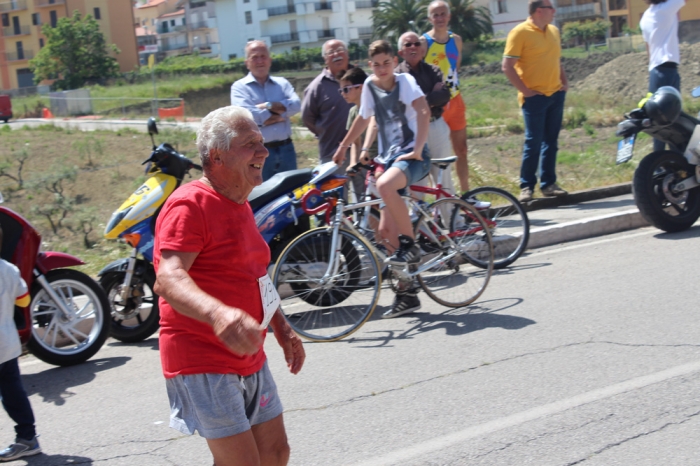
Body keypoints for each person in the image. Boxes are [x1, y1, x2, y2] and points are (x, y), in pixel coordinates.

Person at [153, 106, 306, 466]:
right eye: (250, 144)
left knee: (275, 453)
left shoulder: (238, 204)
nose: (263, 152)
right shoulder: (190, 204)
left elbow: (255, 275)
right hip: (202, 356)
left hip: (248, 350)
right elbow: (168, 277)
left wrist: (282, 327)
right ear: (216, 155)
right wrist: (219, 314)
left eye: (262, 142)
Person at [332, 40, 431, 319]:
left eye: (387, 62)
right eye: (376, 65)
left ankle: (413, 246)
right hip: (388, 161)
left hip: (413, 156)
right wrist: (342, 147)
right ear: (369, 65)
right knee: (387, 236)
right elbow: (363, 120)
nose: (382, 68)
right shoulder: (370, 88)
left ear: (394, 59)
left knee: (386, 186)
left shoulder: (405, 81)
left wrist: (420, 147)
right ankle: (407, 293)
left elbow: (423, 111)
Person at [502, 0, 569, 202]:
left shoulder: (554, 31)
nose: (554, 11)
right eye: (550, 8)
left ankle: (548, 184)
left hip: (555, 94)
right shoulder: (520, 32)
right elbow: (507, 66)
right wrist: (526, 91)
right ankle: (526, 186)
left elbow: (557, 60)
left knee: (551, 141)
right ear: (539, 11)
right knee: (533, 142)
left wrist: (564, 82)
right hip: (535, 98)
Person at [231, 40, 301, 181]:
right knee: (261, 195)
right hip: (256, 153)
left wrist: (266, 106)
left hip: (286, 150)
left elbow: (296, 105)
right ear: (247, 63)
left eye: (263, 56)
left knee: (291, 195)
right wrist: (282, 115)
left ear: (270, 60)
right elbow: (247, 116)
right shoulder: (239, 88)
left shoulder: (282, 83)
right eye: (254, 57)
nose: (260, 61)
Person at [0, 226, 40, 462]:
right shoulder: (10, 269)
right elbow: (23, 299)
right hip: (8, 345)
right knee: (13, 393)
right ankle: (27, 438)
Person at [423, 0, 470, 194]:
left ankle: (467, 195)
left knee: (462, 150)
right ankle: (437, 200)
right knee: (433, 156)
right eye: (436, 15)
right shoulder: (423, 42)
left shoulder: (456, 40)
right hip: (435, 107)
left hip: (455, 101)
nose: (440, 18)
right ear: (430, 18)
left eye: (443, 14)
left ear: (449, 16)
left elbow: (455, 68)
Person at [640, 0, 687, 152]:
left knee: (657, 119)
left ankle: (659, 160)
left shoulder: (645, 17)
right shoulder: (666, 8)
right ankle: (677, 160)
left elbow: (648, 49)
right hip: (668, 69)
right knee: (674, 117)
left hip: (654, 70)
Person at [338, 67, 378, 198]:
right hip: (369, 164)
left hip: (382, 159)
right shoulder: (353, 112)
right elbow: (355, 141)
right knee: (372, 205)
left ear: (360, 88)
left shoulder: (375, 105)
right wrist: (353, 162)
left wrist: (365, 150)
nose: (343, 93)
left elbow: (374, 126)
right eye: (341, 90)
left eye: (346, 89)